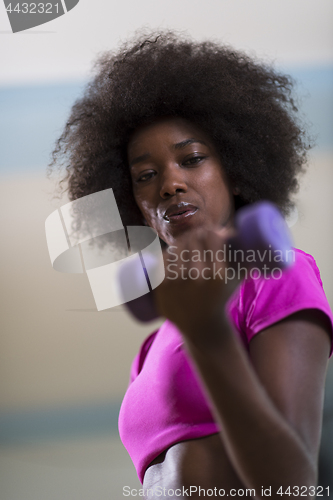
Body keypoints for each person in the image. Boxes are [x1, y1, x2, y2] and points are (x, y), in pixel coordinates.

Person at [50, 31, 333, 498]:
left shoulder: (275, 274)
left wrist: (206, 331)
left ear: (237, 173)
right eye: (146, 176)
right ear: (134, 204)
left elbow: (292, 486)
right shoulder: (150, 346)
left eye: (193, 158)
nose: (170, 184)